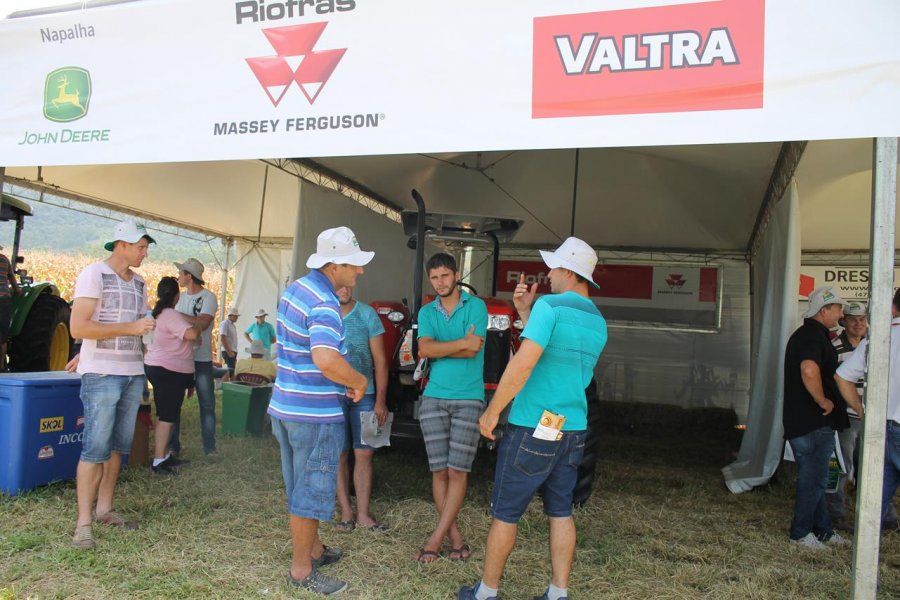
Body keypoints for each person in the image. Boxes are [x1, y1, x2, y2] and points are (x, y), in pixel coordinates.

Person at [459, 237, 608, 600]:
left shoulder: (551, 307)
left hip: (532, 425)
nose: (549, 274)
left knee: (506, 513)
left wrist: (493, 411)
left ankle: (486, 593)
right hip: (572, 428)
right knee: (560, 512)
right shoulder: (597, 320)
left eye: (555, 267)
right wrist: (525, 312)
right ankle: (558, 592)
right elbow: (564, 364)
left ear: (569, 272)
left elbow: (524, 363)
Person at [268, 226, 372, 596]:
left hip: (286, 405)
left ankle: (313, 549)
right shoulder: (326, 303)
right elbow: (325, 359)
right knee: (310, 493)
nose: (359, 272)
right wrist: (357, 380)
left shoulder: (297, 288)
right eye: (354, 265)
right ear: (335, 264)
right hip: (313, 414)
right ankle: (301, 570)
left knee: (298, 484)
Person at [68, 220, 156, 550]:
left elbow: (138, 327)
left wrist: (144, 330)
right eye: (140, 247)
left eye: (146, 247)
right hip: (103, 375)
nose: (144, 253)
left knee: (118, 447)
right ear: (121, 244)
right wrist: (131, 328)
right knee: (95, 448)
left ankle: (105, 510)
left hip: (133, 372)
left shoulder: (141, 282)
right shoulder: (93, 274)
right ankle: (83, 524)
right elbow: (78, 327)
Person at [414, 252, 487, 563]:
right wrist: (459, 344)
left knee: (458, 470)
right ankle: (455, 538)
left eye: (444, 276)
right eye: (434, 278)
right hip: (433, 396)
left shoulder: (477, 306)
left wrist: (439, 350)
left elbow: (475, 350)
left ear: (456, 276)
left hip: (469, 396)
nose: (440, 282)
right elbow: (424, 348)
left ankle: (434, 539)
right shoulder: (427, 311)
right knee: (439, 470)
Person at [782, 286, 861, 551]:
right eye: (838, 309)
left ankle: (823, 531)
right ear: (824, 310)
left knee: (815, 475)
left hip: (807, 421)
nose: (841, 314)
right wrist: (821, 399)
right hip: (812, 421)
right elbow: (808, 368)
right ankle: (800, 533)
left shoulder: (811, 335)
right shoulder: (812, 337)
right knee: (814, 478)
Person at [836, 288, 900, 532]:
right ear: (845, 321)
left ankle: (870, 533)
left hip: (882, 424)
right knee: (856, 471)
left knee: (877, 483)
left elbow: (842, 377)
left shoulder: (878, 339)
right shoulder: (840, 345)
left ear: (893, 308)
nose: (859, 323)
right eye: (853, 319)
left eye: (862, 318)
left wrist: (865, 412)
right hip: (858, 421)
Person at [333, 285, 389, 533]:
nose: (342, 289)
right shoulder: (324, 315)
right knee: (339, 454)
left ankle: (363, 513)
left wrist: (380, 400)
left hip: (366, 396)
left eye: (346, 285)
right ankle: (346, 512)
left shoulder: (368, 314)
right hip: (332, 396)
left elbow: (381, 362)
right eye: (337, 285)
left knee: (366, 453)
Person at [144, 277, 204, 475]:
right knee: (167, 416)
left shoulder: (163, 313)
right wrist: (200, 325)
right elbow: (192, 336)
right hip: (168, 370)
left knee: (168, 414)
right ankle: (158, 460)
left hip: (164, 369)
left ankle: (166, 455)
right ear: (177, 296)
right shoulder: (170, 315)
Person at [171, 257, 218, 456]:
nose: (178, 276)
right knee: (174, 404)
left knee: (207, 405)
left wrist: (175, 318)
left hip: (201, 359)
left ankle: (210, 447)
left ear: (189, 276)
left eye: (181, 273)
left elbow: (203, 324)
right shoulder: (179, 297)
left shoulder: (209, 297)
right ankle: (173, 446)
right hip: (181, 358)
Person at [0, 245, 18, 371]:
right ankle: (1, 366)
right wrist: (18, 291)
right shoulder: (5, 260)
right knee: (2, 335)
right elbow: (12, 279)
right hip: (4, 300)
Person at [219, 306, 240, 380]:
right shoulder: (225, 323)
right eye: (236, 316)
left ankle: (228, 387)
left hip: (232, 351)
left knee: (231, 371)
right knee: (229, 371)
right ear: (231, 315)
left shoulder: (233, 325)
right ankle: (222, 387)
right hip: (228, 351)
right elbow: (223, 337)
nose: (237, 317)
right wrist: (229, 351)